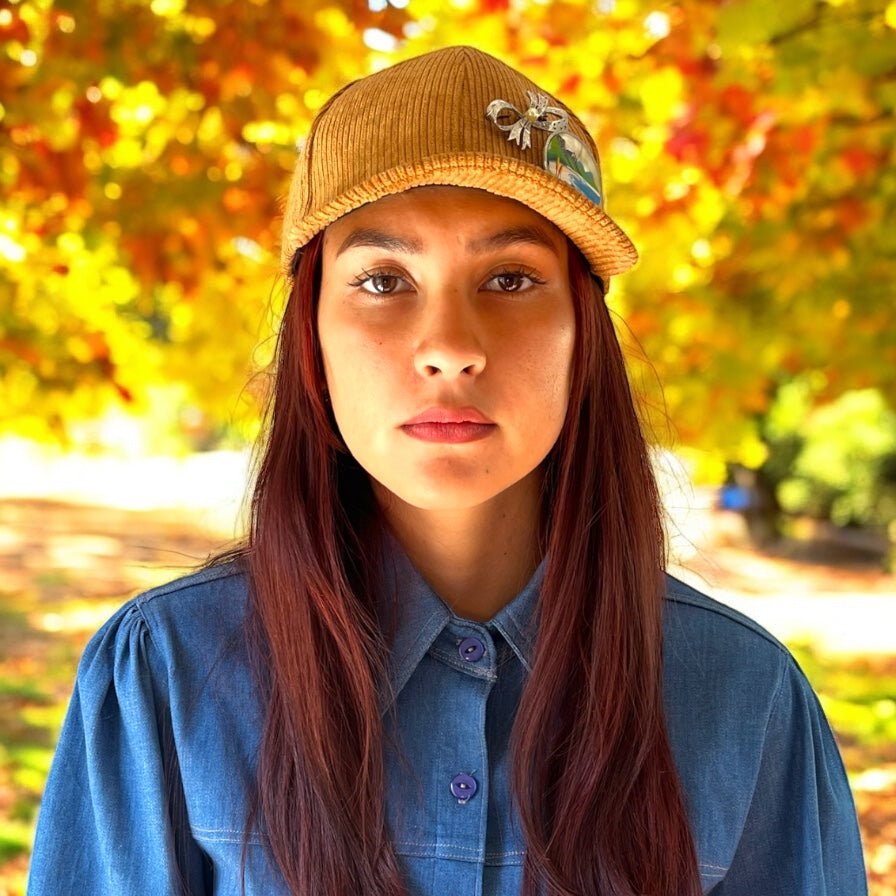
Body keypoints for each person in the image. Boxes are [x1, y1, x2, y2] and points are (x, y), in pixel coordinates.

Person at [27, 46, 866, 896]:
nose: (451, 349)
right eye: (384, 279)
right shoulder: (165, 676)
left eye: (510, 277)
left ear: (584, 336)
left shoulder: (746, 696)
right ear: (310, 337)